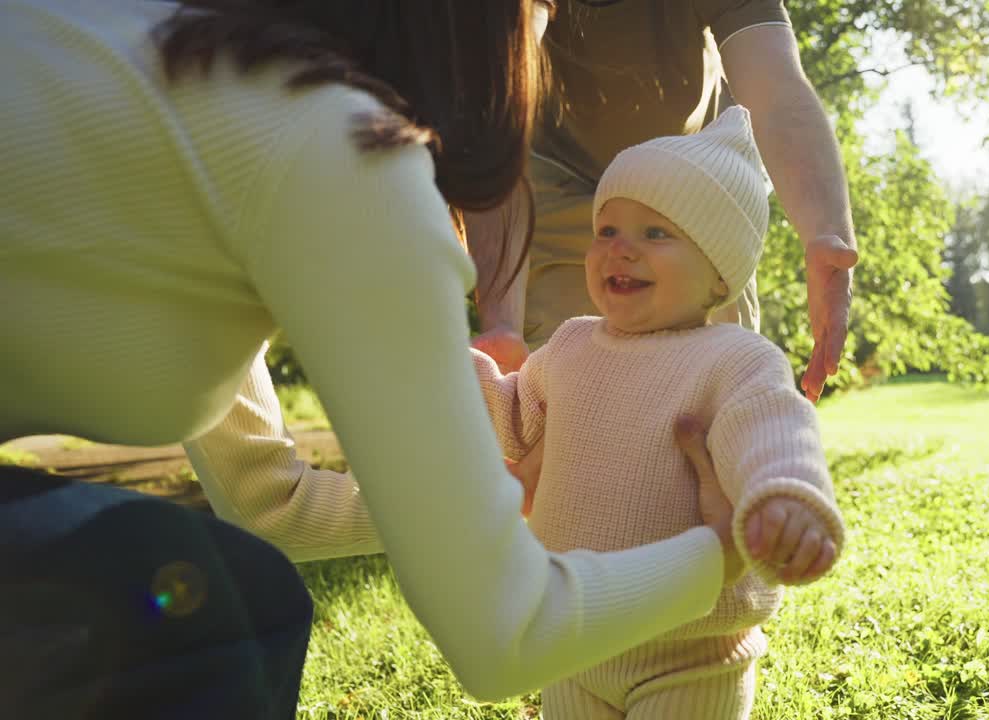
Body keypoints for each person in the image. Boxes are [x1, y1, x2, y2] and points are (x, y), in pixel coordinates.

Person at [0, 0, 761, 715]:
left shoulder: (159, 49)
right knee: (220, 618)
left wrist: (492, 492)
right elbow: (503, 636)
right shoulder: (342, 148)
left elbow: (266, 503)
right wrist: (716, 555)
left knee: (241, 588)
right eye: (539, 13)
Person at [470, 108, 845, 719]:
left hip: (693, 656)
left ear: (719, 274)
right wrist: (458, 373)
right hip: (575, 638)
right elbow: (514, 418)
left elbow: (775, 431)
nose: (620, 251)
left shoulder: (735, 358)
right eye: (608, 230)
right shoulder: (569, 344)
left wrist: (786, 497)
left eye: (655, 234)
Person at [469, 0, 862, 404]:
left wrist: (825, 234)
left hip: (690, 190)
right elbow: (496, 117)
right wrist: (502, 323)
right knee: (560, 404)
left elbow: (776, 96)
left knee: (721, 397)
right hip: (555, 182)